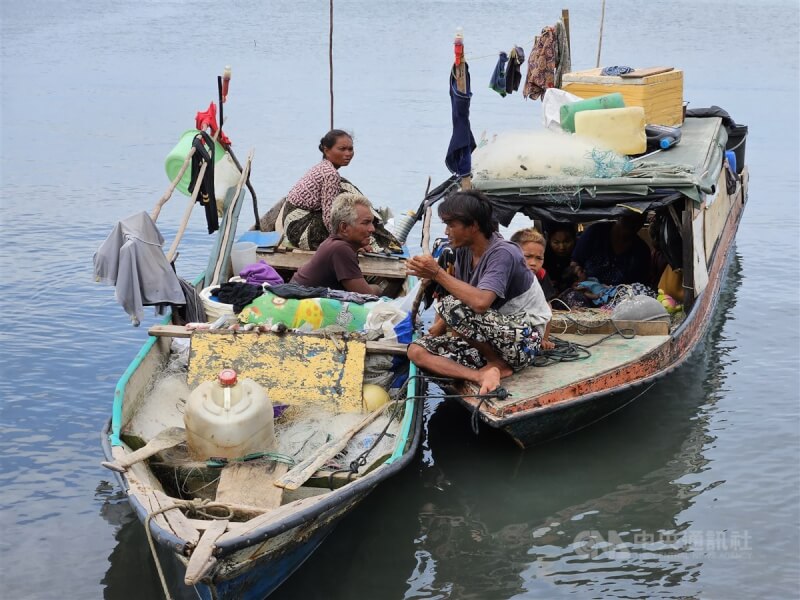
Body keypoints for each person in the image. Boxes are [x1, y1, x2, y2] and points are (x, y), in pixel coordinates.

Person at [406, 191, 550, 395]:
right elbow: (462, 294)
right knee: (416, 350)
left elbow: (481, 303)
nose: (446, 231)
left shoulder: (504, 253)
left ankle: (498, 364)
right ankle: (481, 375)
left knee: (450, 305)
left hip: (525, 340)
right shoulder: (463, 250)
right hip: (495, 337)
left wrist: (436, 273)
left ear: (473, 226)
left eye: (451, 225)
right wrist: (440, 324)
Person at [261, 130, 401, 253]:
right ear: (326, 150)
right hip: (299, 227)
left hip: (290, 218)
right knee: (351, 228)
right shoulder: (330, 174)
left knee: (346, 189)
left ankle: (371, 228)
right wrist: (352, 243)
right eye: (342, 149)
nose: (348, 154)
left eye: (350, 149)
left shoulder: (325, 167)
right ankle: (374, 238)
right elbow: (329, 218)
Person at [291, 194, 382, 295]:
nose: (372, 229)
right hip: (299, 302)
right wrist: (379, 288)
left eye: (372, 223)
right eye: (366, 223)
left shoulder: (334, 244)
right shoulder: (340, 249)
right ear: (344, 227)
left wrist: (355, 248)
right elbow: (365, 294)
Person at [571, 213, 651, 286]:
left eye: (639, 219)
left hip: (622, 298)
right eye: (629, 217)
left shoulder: (642, 251)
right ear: (620, 215)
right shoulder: (595, 232)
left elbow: (641, 285)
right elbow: (575, 262)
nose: (633, 223)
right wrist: (577, 275)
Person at [510, 227, 556, 350]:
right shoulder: (506, 273)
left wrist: (544, 338)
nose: (533, 263)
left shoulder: (541, 274)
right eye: (527, 256)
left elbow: (547, 308)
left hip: (531, 324)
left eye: (539, 258)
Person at [543, 223, 577, 292]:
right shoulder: (542, 255)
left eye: (566, 242)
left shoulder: (581, 252)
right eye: (556, 242)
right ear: (549, 241)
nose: (562, 247)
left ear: (574, 239)